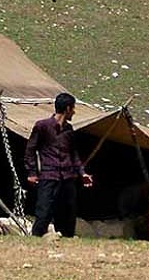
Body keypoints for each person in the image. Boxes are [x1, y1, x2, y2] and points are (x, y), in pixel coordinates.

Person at [24, 92, 94, 237]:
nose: (74, 112)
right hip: (49, 176)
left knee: (67, 214)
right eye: (73, 108)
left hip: (68, 177)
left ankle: (66, 242)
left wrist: (82, 173)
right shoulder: (42, 126)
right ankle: (36, 241)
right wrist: (32, 173)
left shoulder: (69, 130)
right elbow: (30, 150)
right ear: (68, 109)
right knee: (44, 212)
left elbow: (73, 154)